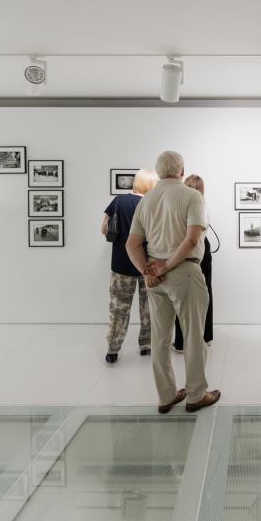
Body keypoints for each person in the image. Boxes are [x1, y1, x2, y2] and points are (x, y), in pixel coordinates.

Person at [126, 151, 221, 413]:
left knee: (160, 339)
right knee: (193, 336)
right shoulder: (192, 196)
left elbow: (131, 243)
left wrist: (148, 270)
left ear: (158, 172)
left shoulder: (147, 200)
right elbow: (191, 240)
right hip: (185, 273)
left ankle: (166, 396)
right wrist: (167, 265)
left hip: (155, 279)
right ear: (182, 170)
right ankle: (196, 395)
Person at [100, 169, 158, 364]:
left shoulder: (119, 201)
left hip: (121, 264)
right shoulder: (152, 203)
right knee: (148, 307)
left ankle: (112, 350)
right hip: (147, 264)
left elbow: (104, 229)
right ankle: (146, 346)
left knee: (118, 308)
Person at [172, 174, 214, 353]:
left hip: (190, 251)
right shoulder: (203, 206)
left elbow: (189, 236)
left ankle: (182, 343)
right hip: (201, 250)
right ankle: (206, 337)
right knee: (204, 294)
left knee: (181, 297)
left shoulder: (182, 206)